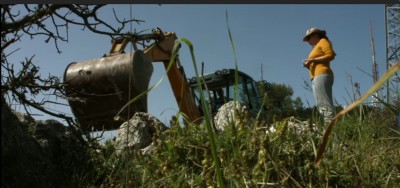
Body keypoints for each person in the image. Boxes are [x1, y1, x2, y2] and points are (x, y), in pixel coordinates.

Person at [302, 27, 336, 123]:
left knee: (324, 104)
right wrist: (309, 65)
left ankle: (330, 130)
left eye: (309, 38)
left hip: (322, 74)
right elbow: (318, 62)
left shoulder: (323, 41)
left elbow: (330, 55)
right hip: (317, 76)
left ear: (316, 35)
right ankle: (330, 128)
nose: (308, 41)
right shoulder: (317, 45)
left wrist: (313, 60)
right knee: (321, 103)